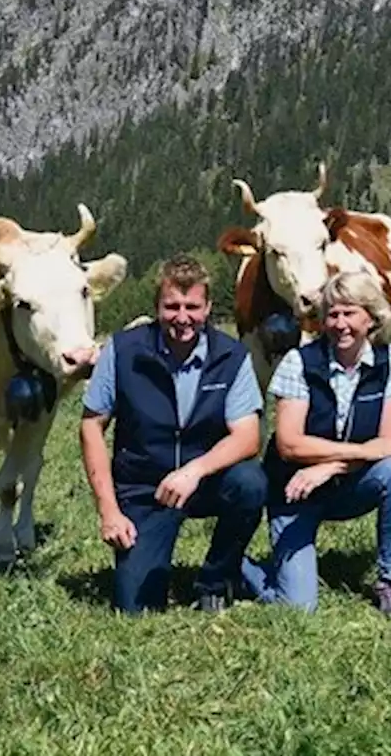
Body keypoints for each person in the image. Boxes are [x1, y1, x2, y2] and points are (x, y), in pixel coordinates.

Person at [80, 253, 267, 614]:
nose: (182, 318)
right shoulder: (122, 351)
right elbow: (91, 425)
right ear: (157, 307)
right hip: (144, 487)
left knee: (251, 482)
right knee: (136, 609)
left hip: (206, 482)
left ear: (208, 307)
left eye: (192, 306)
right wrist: (109, 511)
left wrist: (194, 471)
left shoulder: (232, 357)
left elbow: (247, 437)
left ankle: (216, 578)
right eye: (172, 306)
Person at [243, 270, 391, 618]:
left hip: (349, 484)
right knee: (298, 608)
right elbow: (289, 444)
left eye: (349, 312)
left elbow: (390, 442)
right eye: (332, 314)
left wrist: (331, 466)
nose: (340, 324)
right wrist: (358, 453)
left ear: (371, 317)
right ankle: (233, 563)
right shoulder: (299, 362)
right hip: (295, 491)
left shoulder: (390, 361)